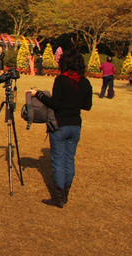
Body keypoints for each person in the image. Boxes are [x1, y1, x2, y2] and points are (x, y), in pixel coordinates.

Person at [28, 48, 92, 208]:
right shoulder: (85, 82)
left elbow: (55, 103)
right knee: (69, 160)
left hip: (60, 125)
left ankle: (58, 196)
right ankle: (65, 192)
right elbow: (87, 105)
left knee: (58, 161)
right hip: (75, 125)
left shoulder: (61, 80)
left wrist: (39, 95)